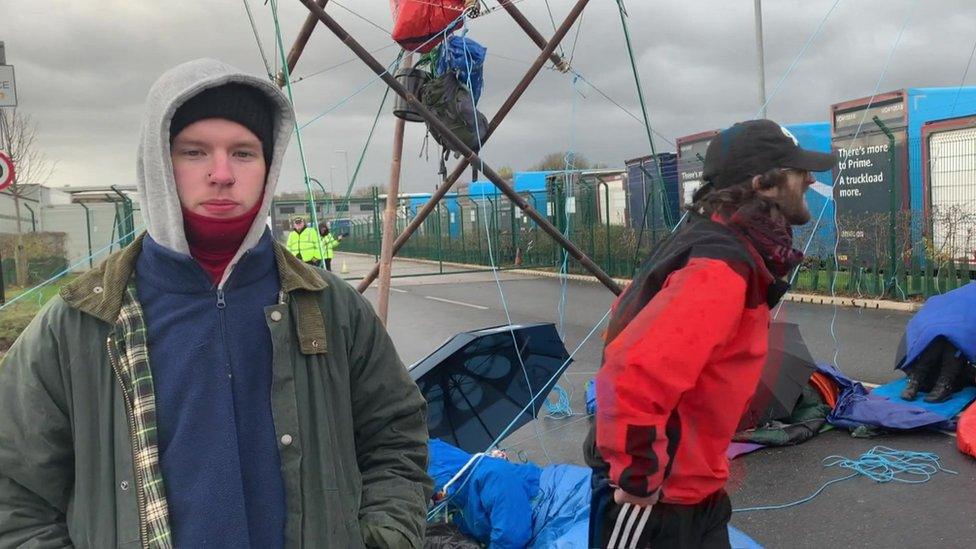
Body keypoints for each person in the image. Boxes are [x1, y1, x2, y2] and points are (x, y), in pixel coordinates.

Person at [0, 58, 431, 548]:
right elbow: (14, 490)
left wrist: (385, 537)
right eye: (195, 151)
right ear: (159, 161)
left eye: (244, 153)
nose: (222, 174)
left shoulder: (333, 310)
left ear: (269, 165)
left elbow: (396, 440)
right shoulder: (80, 323)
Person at [585, 120, 836, 548]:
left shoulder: (726, 242)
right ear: (766, 185)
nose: (811, 178)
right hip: (654, 503)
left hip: (698, 490)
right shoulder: (719, 267)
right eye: (799, 170)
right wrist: (639, 476)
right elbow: (631, 374)